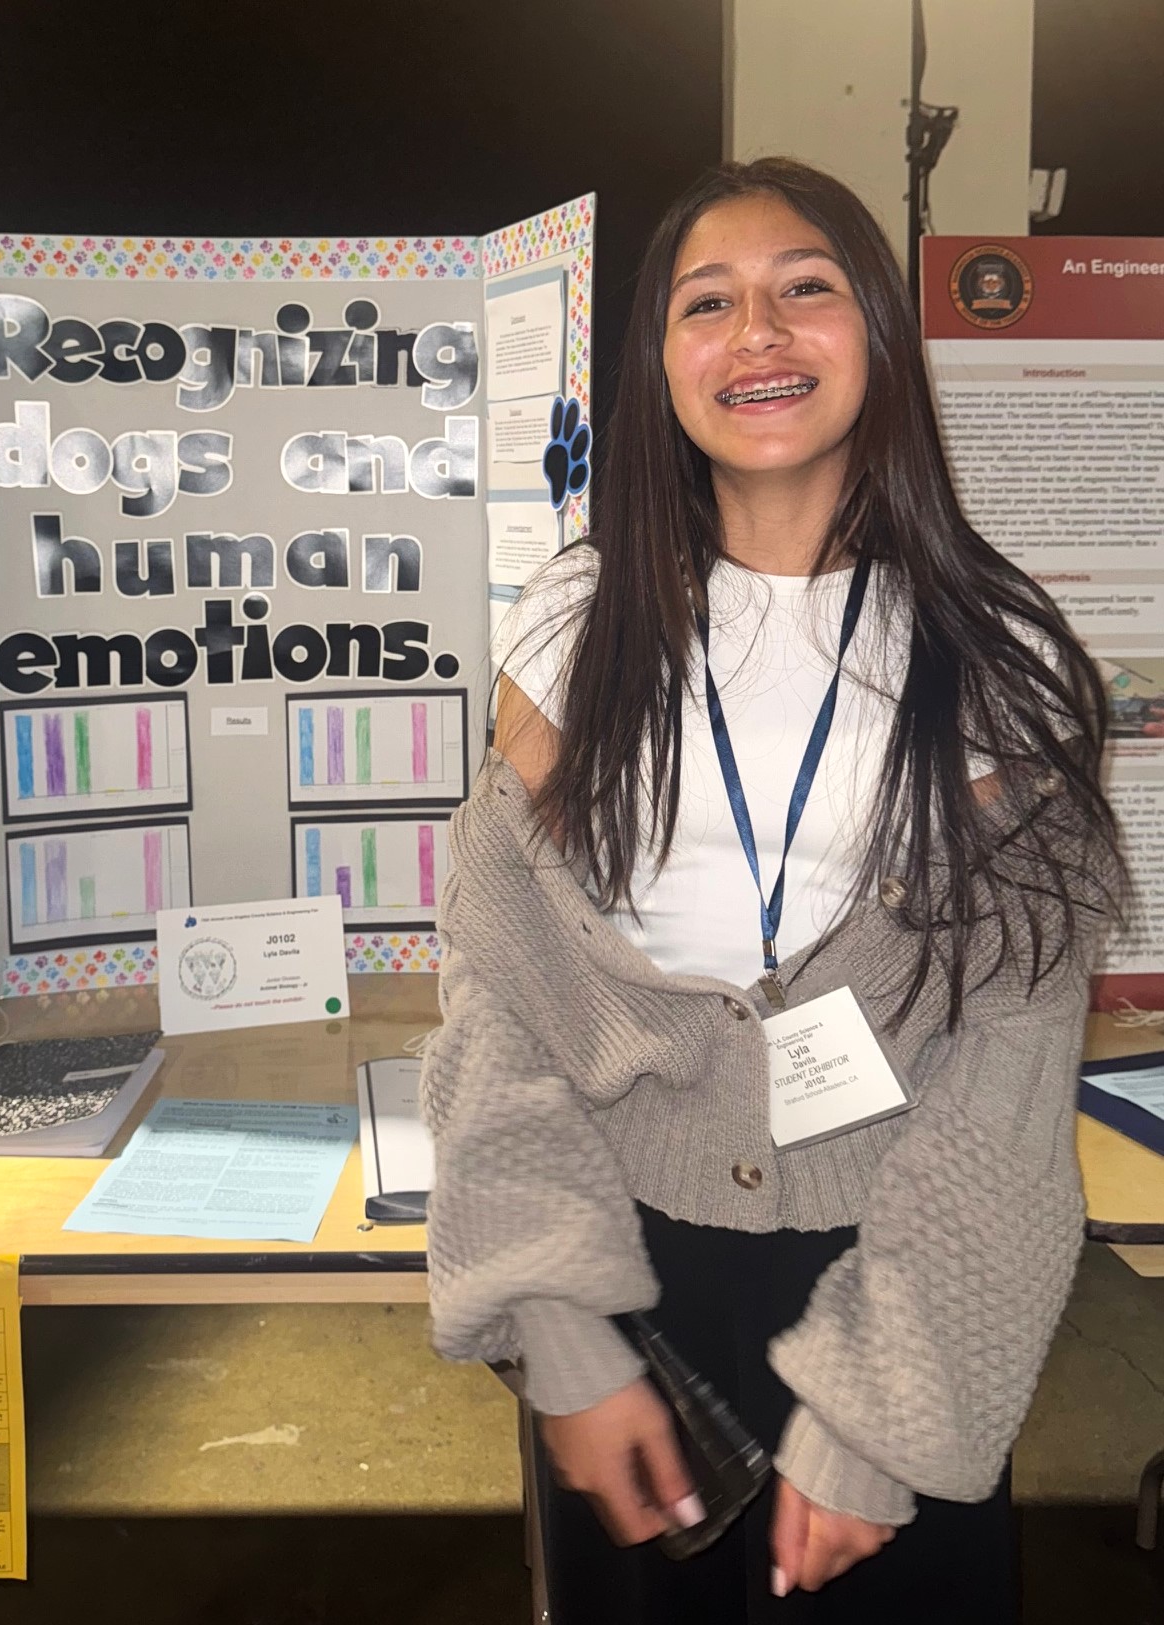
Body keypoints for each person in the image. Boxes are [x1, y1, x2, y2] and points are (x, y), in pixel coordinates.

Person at [421, 157, 1122, 1623]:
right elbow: (499, 997)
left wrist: (884, 1415)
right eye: (708, 303)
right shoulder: (571, 626)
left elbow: (1005, 1080)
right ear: (658, 360)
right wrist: (561, 1329)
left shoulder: (999, 656)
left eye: (806, 287)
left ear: (878, 331)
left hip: (914, 1273)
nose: (757, 333)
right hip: (627, 1276)